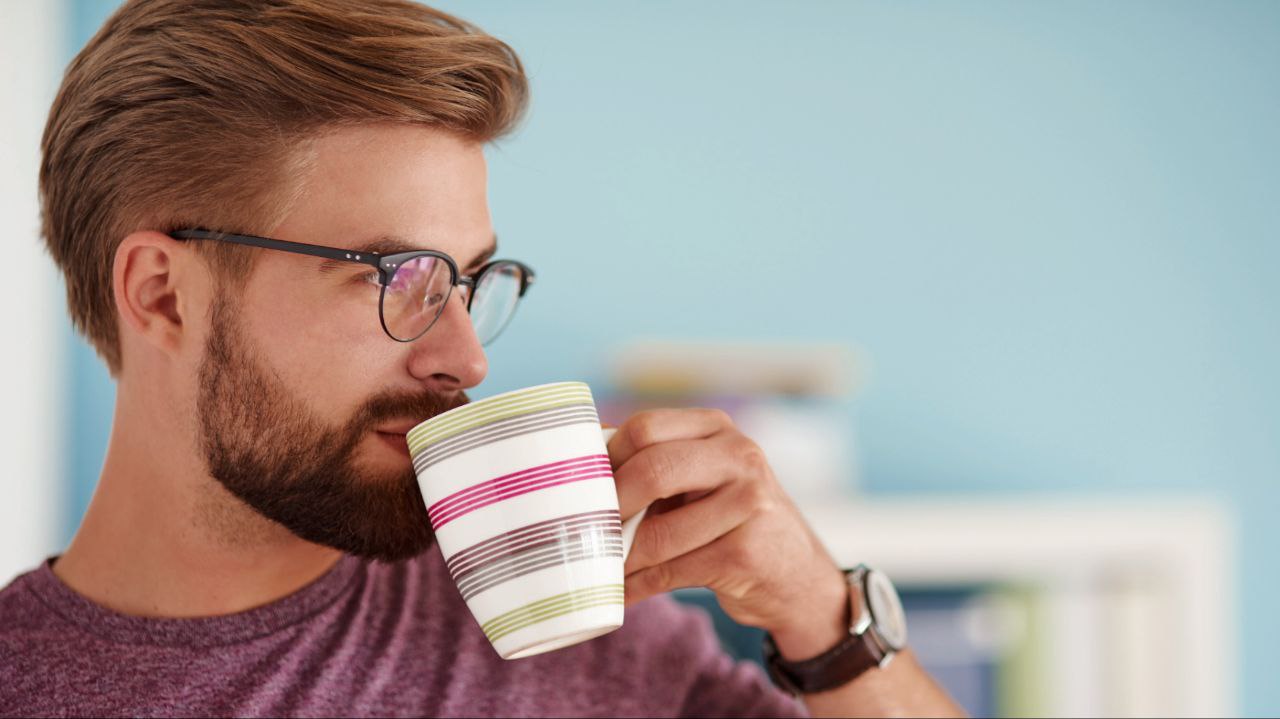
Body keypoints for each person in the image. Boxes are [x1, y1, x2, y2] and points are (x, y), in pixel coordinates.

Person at [0, 1, 962, 717]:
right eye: (397, 274)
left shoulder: (552, 623)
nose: (464, 356)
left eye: (470, 280)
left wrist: (828, 625)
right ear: (163, 294)